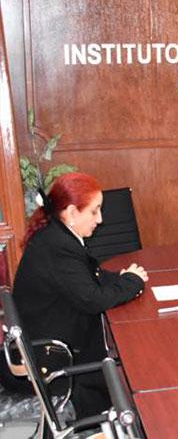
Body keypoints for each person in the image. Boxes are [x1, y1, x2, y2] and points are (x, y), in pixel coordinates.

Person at [10, 173, 148, 416]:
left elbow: (88, 276)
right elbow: (93, 300)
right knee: (134, 373)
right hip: (59, 362)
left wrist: (123, 278)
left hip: (54, 342)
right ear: (72, 213)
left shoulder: (56, 234)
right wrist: (133, 283)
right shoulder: (58, 247)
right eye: (94, 211)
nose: (100, 219)